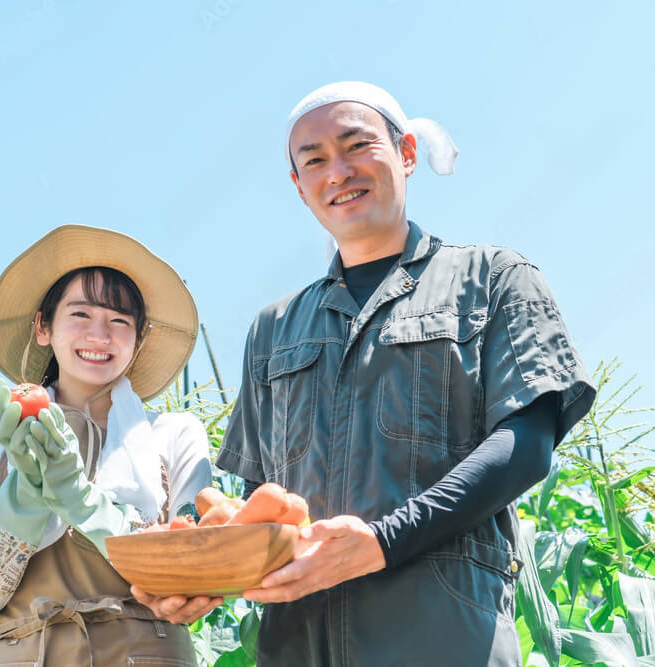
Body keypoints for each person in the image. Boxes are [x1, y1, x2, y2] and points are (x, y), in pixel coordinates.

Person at [140, 82, 597, 665]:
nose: (338, 171)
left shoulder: (493, 277)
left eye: (357, 146)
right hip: (297, 646)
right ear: (298, 187)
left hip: (445, 640)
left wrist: (380, 543)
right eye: (314, 160)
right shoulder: (273, 328)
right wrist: (202, 572)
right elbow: (262, 504)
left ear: (406, 153)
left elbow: (526, 445)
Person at [0, 224, 211, 666]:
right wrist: (27, 498)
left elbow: (187, 578)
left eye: (119, 321)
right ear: (43, 326)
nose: (100, 335)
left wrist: (80, 498)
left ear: (139, 338)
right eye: (80, 315)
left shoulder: (175, 435)